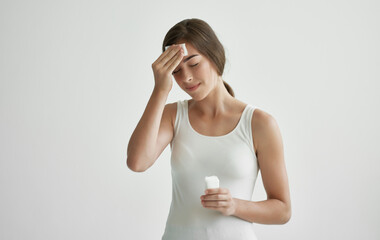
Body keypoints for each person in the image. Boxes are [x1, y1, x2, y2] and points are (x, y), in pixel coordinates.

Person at [127, 18, 291, 240]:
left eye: (193, 64)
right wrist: (160, 90)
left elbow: (282, 210)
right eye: (175, 70)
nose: (186, 77)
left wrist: (234, 205)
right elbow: (137, 162)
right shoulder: (173, 115)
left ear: (214, 56)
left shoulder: (259, 123)